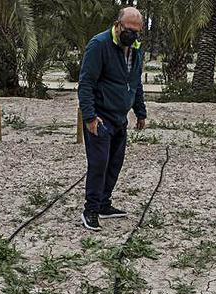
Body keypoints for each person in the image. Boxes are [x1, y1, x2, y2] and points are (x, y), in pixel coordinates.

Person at [77, 6, 148, 231]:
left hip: (120, 118)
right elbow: (86, 83)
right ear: (118, 25)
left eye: (137, 31)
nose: (133, 35)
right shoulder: (99, 45)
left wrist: (140, 112)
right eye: (129, 29)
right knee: (99, 164)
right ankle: (91, 209)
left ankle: (104, 204)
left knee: (114, 164)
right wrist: (89, 117)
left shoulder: (136, 50)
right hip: (100, 118)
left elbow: (135, 84)